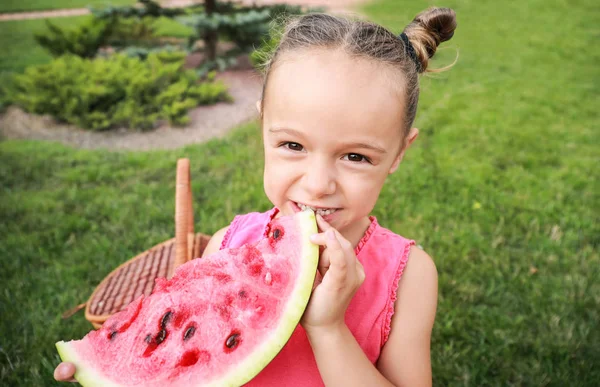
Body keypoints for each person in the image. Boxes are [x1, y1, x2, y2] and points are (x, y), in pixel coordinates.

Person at [55, 7, 457, 386]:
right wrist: (123, 363)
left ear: (399, 153)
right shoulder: (226, 247)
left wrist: (328, 328)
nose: (318, 184)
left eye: (355, 156)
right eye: (293, 146)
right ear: (264, 125)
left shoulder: (410, 277)